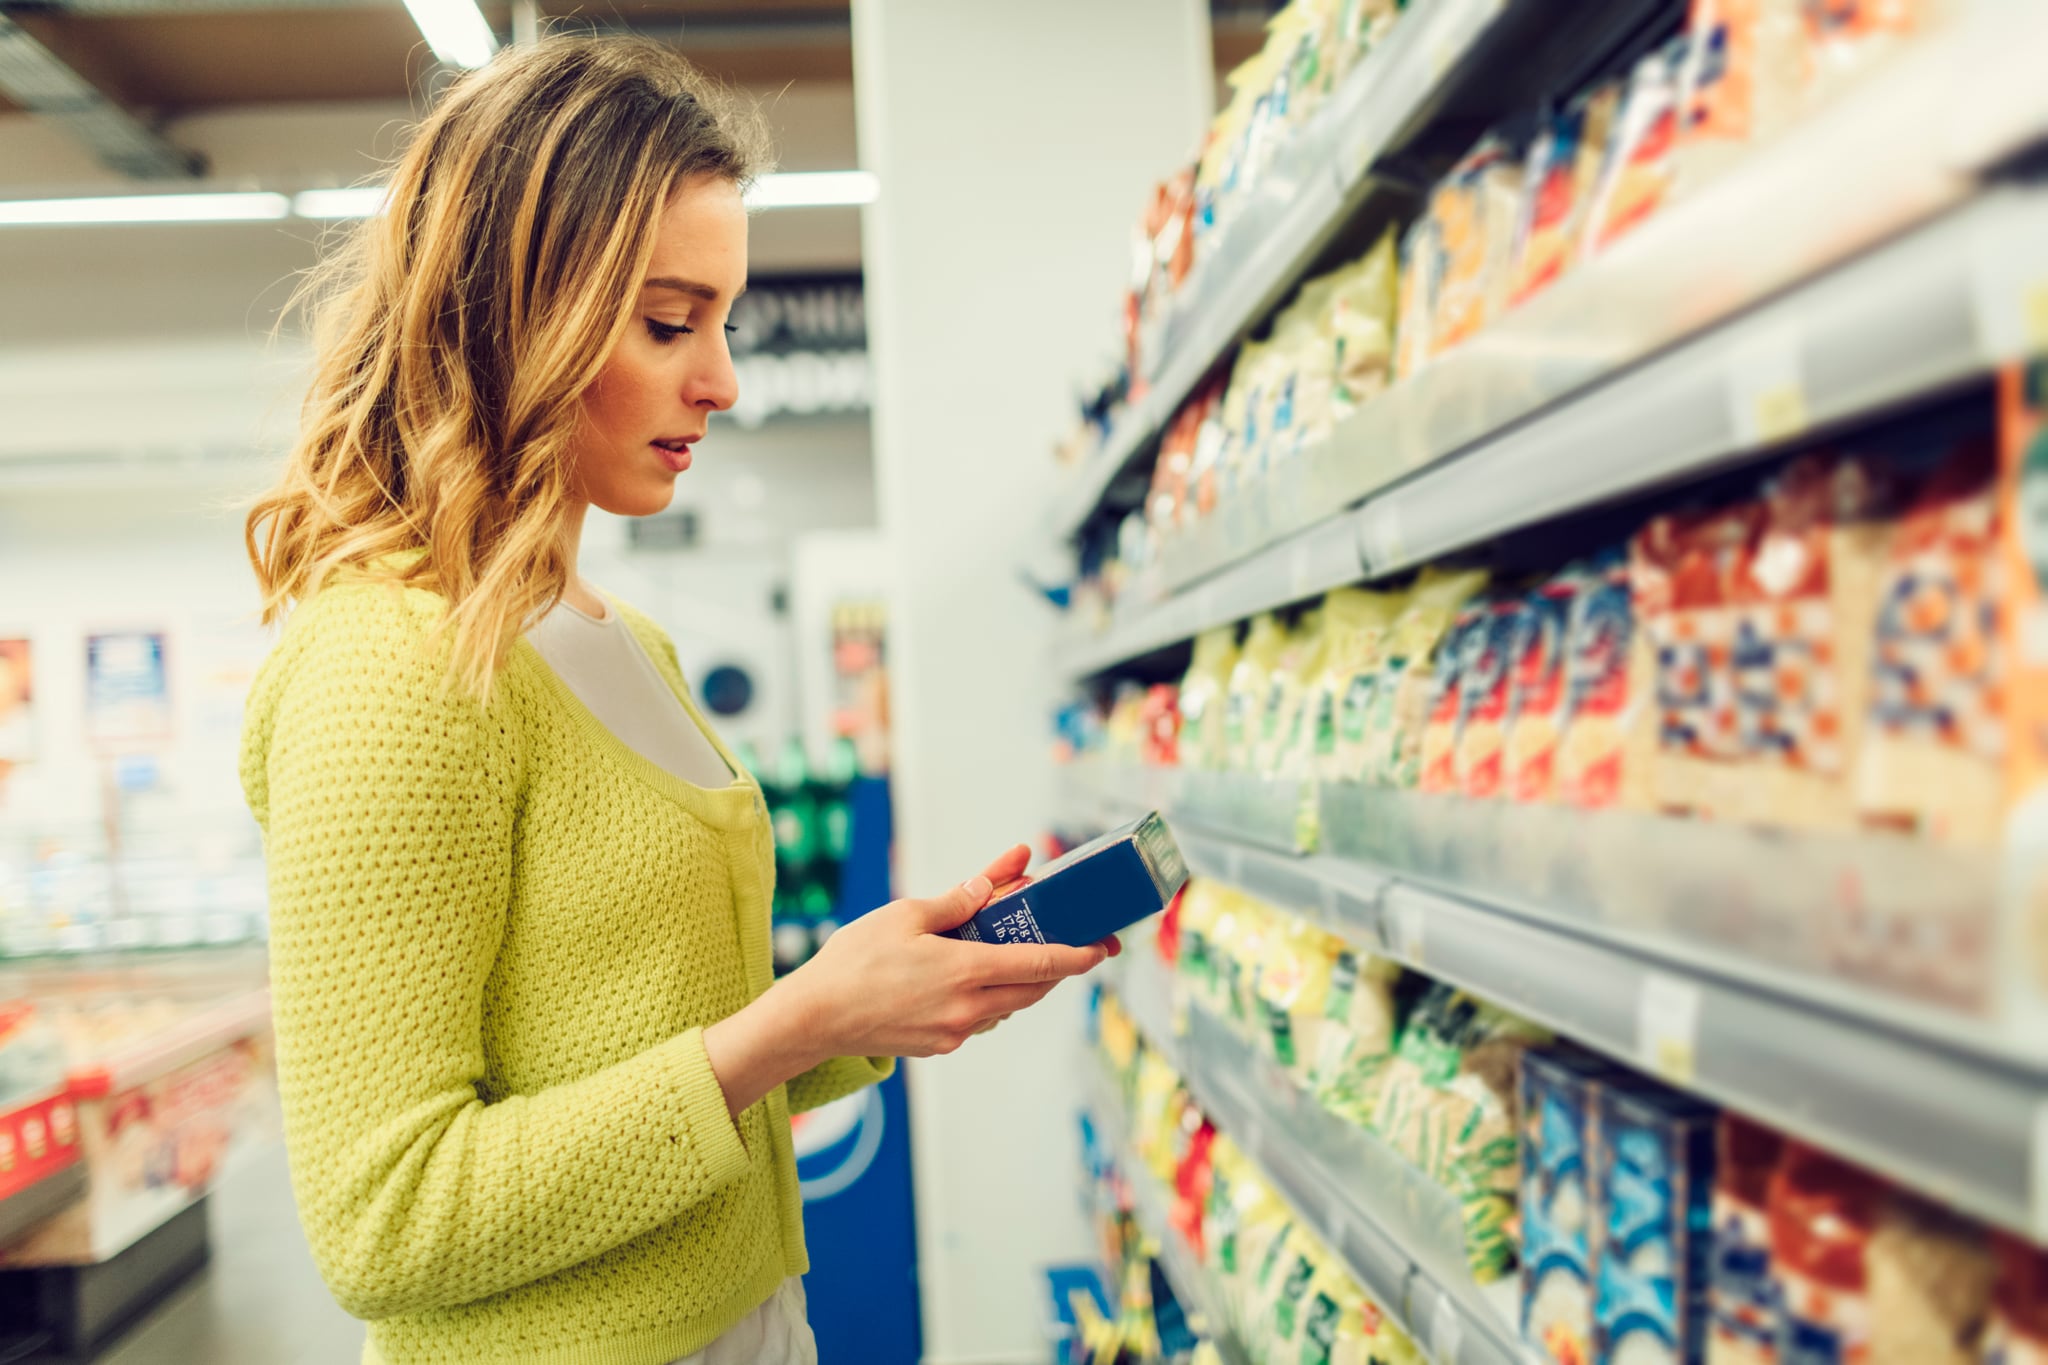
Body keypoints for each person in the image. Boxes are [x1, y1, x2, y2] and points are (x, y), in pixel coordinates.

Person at [238, 35, 1113, 1365]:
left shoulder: (615, 635)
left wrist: (856, 997)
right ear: (516, 312)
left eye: (724, 320)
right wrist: (797, 1020)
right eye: (666, 322)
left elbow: (643, 1042)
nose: (721, 379)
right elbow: (388, 1218)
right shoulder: (390, 670)